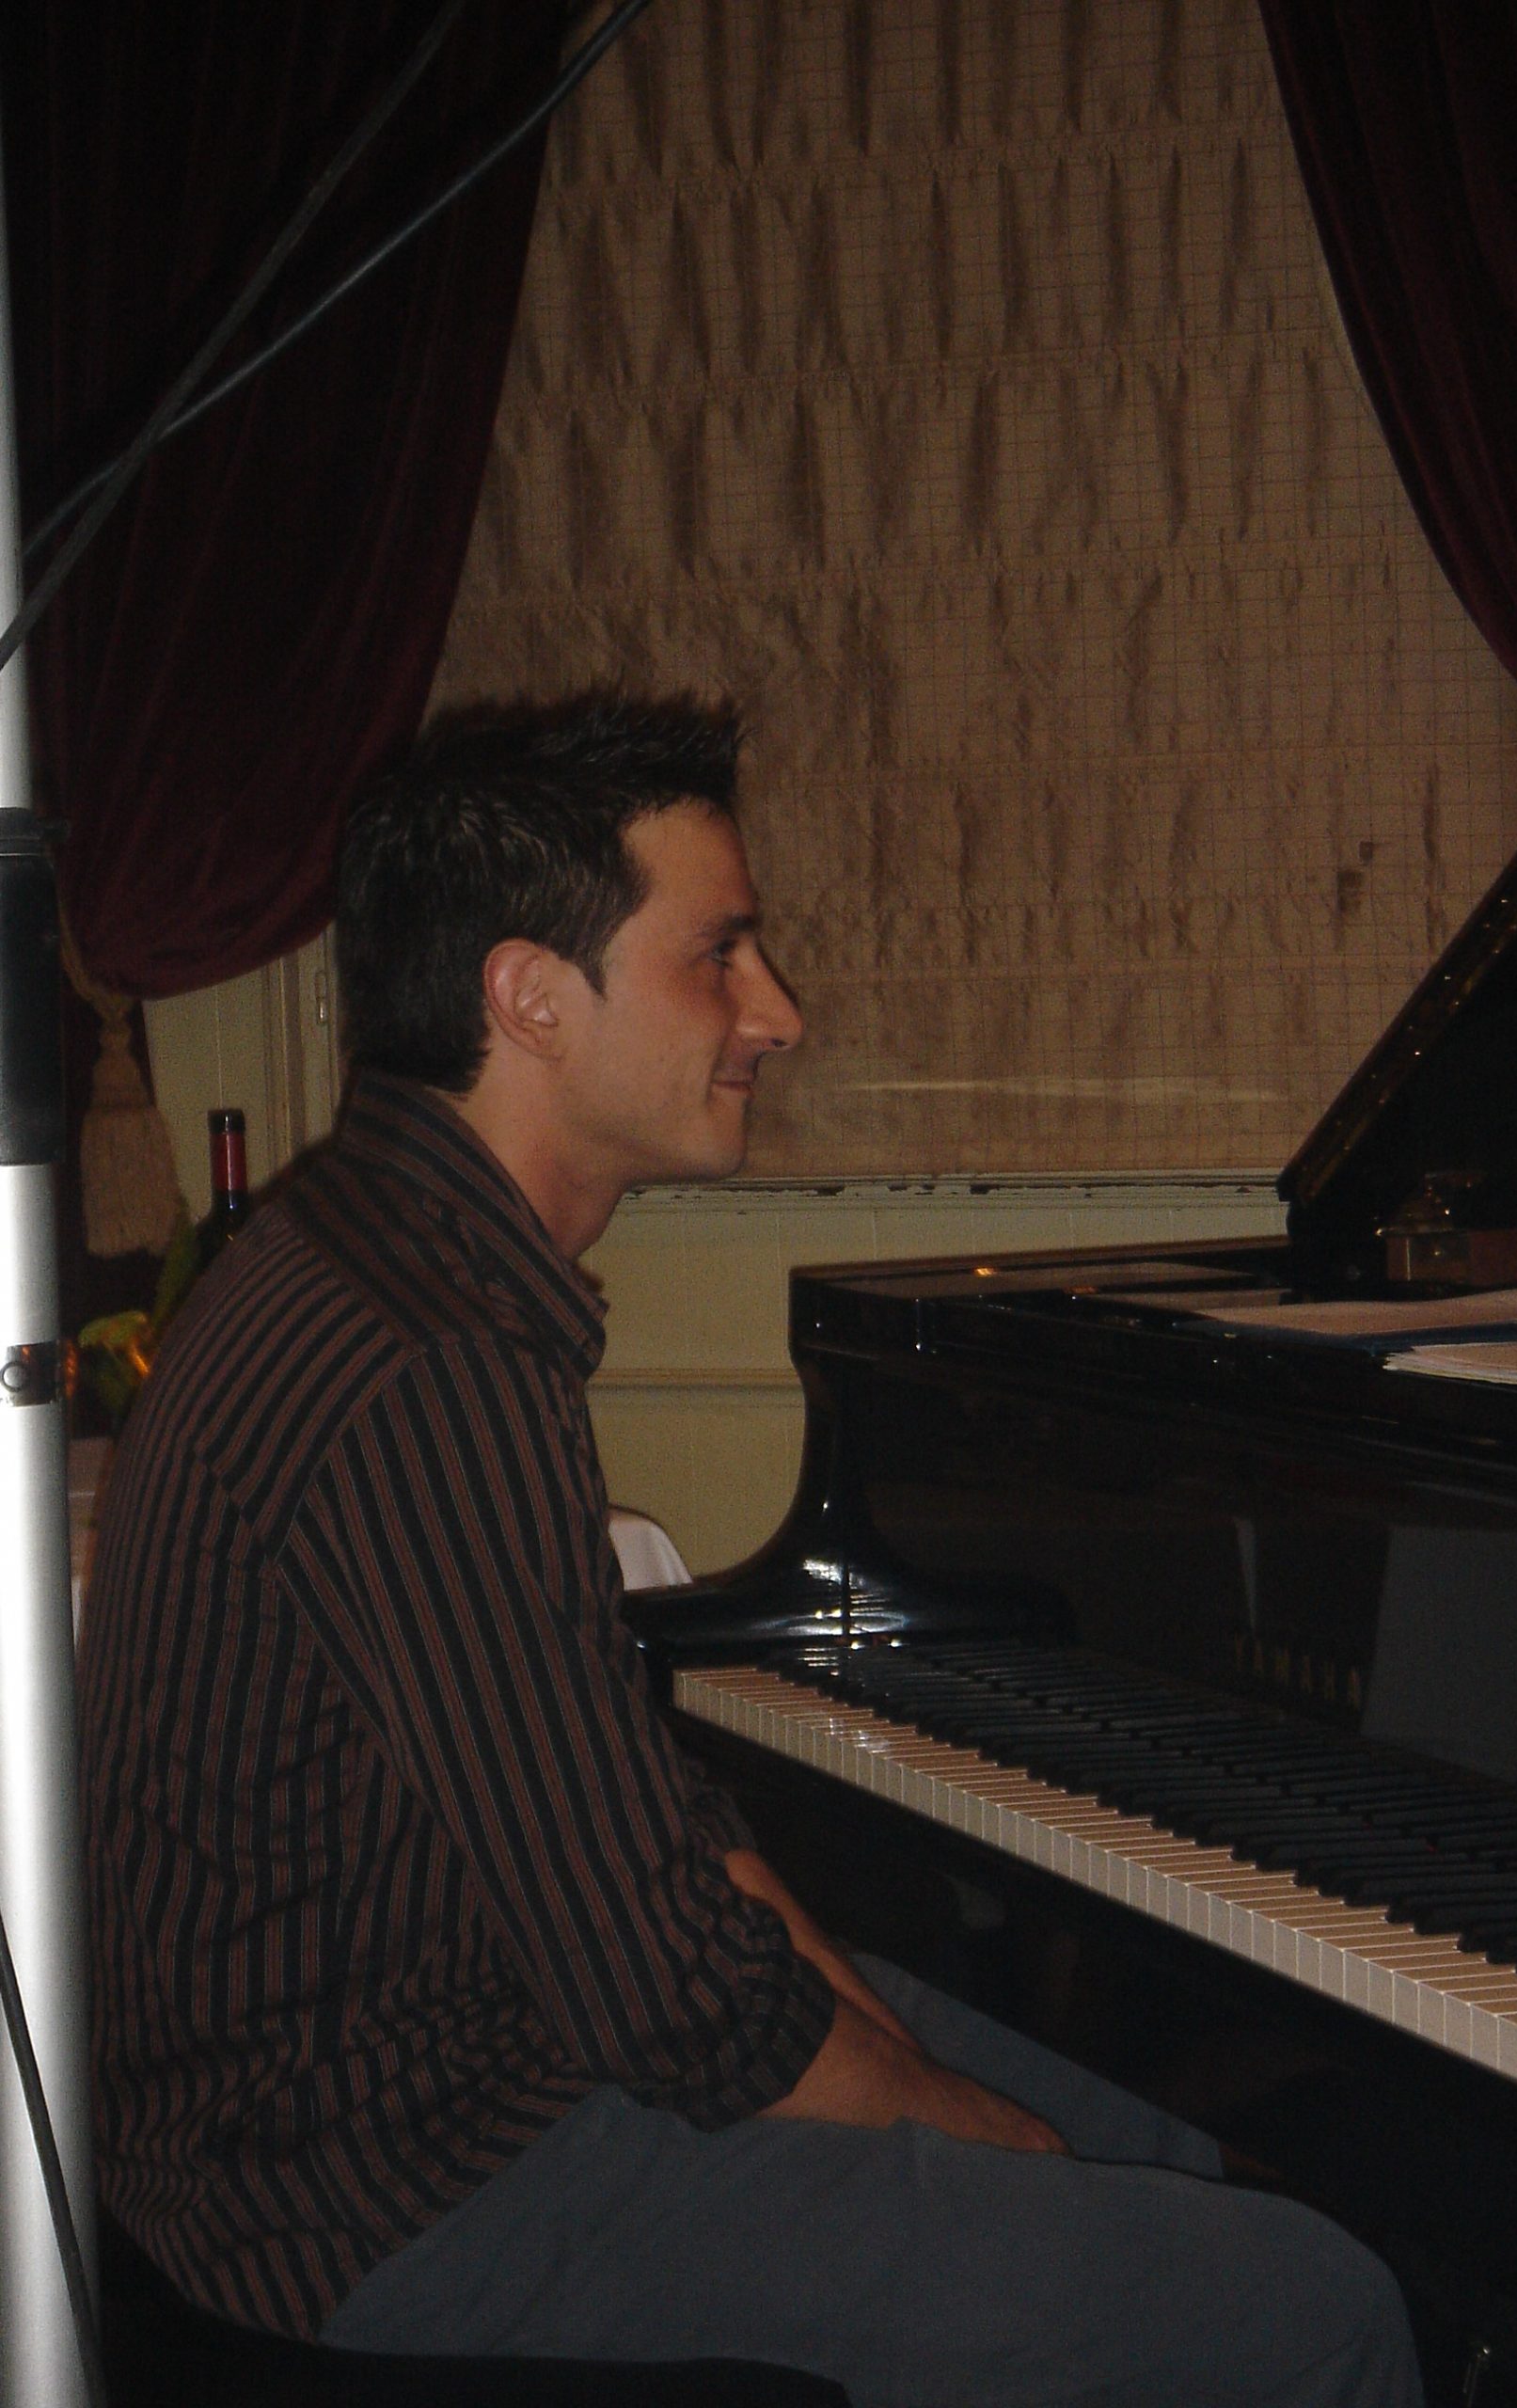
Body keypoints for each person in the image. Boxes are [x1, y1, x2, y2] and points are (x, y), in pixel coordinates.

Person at [79, 695, 1423, 2406]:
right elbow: (659, 1990)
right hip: (374, 2181)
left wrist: (901, 2053)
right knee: (1302, 2305)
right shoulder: (421, 1356)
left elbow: (637, 1827)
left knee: (1167, 2163)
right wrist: (962, 2123)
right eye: (719, 956)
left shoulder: (379, 1253)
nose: (777, 1013)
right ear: (530, 997)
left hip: (444, 2067)